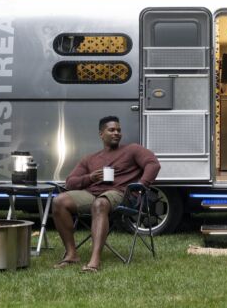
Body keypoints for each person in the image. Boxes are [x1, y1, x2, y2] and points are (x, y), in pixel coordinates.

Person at [52, 115, 161, 273]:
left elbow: (153, 164)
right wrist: (90, 178)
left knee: (100, 203)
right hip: (93, 193)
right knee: (59, 201)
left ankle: (94, 261)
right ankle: (71, 254)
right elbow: (70, 182)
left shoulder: (132, 149)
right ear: (101, 134)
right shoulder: (90, 159)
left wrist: (141, 185)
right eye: (111, 130)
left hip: (121, 193)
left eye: (119, 130)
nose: (116, 133)